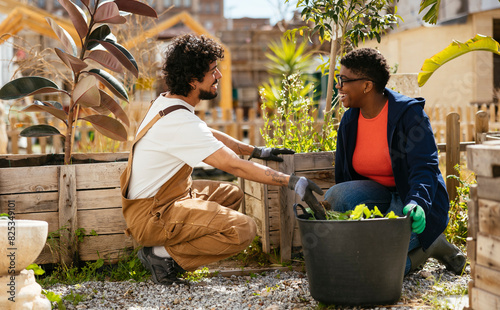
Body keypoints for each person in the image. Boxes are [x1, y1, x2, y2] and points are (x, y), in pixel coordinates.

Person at [120, 34, 322, 285]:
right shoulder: (179, 122)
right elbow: (232, 165)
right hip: (152, 215)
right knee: (243, 230)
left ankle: (170, 252)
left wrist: (256, 151)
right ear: (193, 81)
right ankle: (161, 255)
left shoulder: (170, 104)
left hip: (162, 201)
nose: (220, 76)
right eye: (213, 71)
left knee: (231, 195)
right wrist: (293, 181)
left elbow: (206, 132)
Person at [324, 48, 466, 276]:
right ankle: (411, 245)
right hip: (377, 194)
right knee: (336, 197)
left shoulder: (409, 115)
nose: (338, 85)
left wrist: (417, 202)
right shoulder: (350, 120)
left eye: (343, 80)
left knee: (379, 261)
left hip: (411, 200)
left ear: (367, 86)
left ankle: (432, 245)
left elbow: (425, 168)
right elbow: (344, 179)